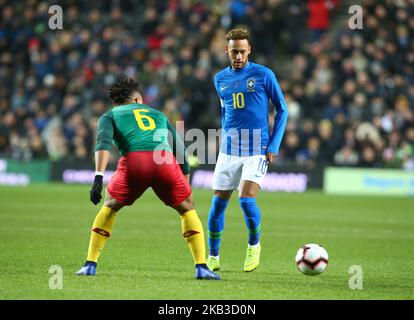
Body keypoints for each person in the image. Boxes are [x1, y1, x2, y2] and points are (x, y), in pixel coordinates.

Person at [75, 78, 220, 280]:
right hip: (164, 161)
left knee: (109, 206)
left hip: (134, 163)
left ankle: (90, 264)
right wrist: (185, 182)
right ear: (137, 98)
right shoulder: (158, 114)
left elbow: (103, 143)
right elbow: (180, 151)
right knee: (188, 209)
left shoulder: (109, 116)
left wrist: (98, 178)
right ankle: (202, 267)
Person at [206, 28, 288, 272]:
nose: (238, 56)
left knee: (245, 199)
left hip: (257, 149)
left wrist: (273, 145)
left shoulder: (264, 75)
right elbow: (225, 112)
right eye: (234, 52)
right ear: (226, 51)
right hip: (229, 150)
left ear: (249, 50)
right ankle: (213, 256)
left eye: (242, 51)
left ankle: (254, 245)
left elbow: (282, 110)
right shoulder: (220, 79)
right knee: (217, 204)